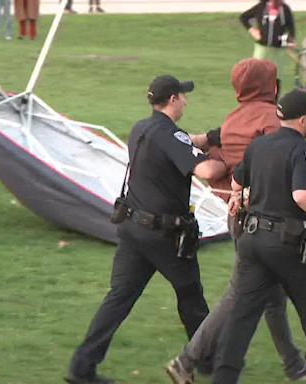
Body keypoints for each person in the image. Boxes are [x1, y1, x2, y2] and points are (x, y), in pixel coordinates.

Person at [65, 75, 227, 384]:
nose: (186, 101)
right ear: (172, 100)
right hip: (164, 235)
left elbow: (181, 141)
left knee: (118, 300)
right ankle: (208, 361)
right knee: (191, 297)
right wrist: (226, 161)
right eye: (183, 96)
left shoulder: (143, 128)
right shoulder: (171, 136)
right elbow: (205, 169)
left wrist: (210, 136)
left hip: (132, 228)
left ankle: (81, 367)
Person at [166, 58, 306, 384]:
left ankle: (294, 364)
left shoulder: (233, 118)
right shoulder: (270, 120)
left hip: (241, 217)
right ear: (269, 85)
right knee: (241, 293)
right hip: (265, 222)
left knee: (271, 295)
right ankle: (186, 360)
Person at [210, 89, 306, 384]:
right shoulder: (303, 150)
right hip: (285, 243)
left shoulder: (259, 145)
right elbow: (302, 196)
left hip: (251, 239)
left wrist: (236, 196)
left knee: (243, 315)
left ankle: (223, 379)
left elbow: (237, 178)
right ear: (303, 119)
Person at [239, 0, 296, 99]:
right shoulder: (261, 7)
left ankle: (273, 105)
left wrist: (291, 42)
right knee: (257, 76)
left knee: (275, 79)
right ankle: (255, 101)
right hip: (262, 49)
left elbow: (291, 28)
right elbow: (243, 17)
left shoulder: (284, 9)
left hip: (278, 51)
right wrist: (252, 31)